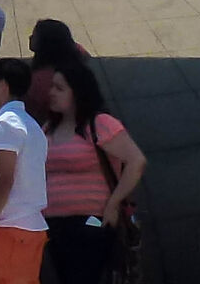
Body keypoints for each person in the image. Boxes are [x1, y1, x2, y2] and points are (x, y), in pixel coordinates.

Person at [39, 62, 144, 284]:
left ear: (78, 92)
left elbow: (136, 161)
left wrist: (113, 204)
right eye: (52, 87)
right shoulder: (48, 128)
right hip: (53, 224)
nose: (51, 93)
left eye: (60, 88)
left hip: (91, 221)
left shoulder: (99, 124)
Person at [0, 58, 49, 284]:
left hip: (7, 228)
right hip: (31, 229)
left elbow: (5, 178)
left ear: (4, 86)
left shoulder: (6, 124)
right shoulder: (34, 127)